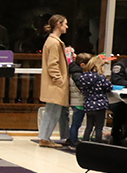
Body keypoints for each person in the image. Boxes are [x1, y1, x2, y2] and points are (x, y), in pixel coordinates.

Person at [38, 14, 69, 148]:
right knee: (52, 112)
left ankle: (45, 137)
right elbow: (53, 64)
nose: (67, 27)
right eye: (65, 24)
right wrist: (59, 79)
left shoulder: (52, 41)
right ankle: (45, 138)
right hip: (55, 84)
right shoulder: (54, 42)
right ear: (59, 25)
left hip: (54, 83)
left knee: (52, 111)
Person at [74, 55, 112, 143]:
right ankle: (98, 145)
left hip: (88, 105)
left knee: (89, 126)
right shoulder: (101, 77)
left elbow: (82, 89)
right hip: (100, 106)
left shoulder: (83, 77)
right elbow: (109, 87)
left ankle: (85, 143)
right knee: (99, 127)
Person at [67, 53, 91, 146]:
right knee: (76, 123)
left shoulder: (75, 72)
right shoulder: (77, 74)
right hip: (79, 102)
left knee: (76, 122)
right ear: (82, 65)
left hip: (77, 101)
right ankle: (73, 140)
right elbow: (82, 86)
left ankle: (71, 138)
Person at [111, 56, 127, 147]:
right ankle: (116, 141)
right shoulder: (121, 65)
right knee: (120, 118)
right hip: (120, 100)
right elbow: (117, 81)